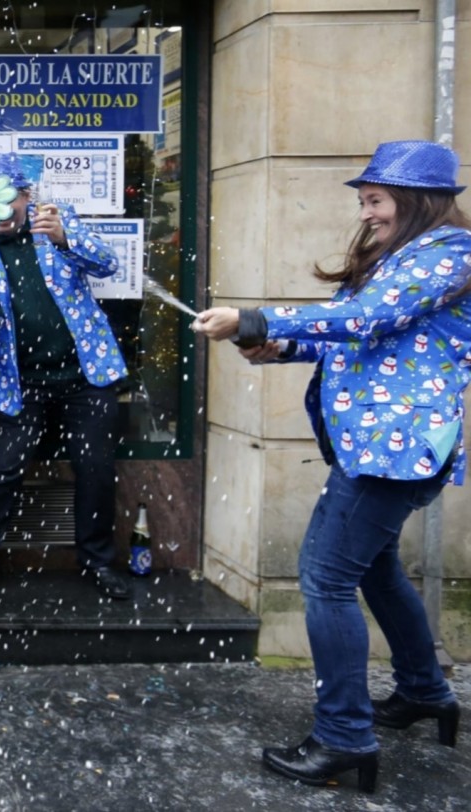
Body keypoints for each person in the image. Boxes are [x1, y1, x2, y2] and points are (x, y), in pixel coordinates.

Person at [194, 140, 468, 793]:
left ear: (417, 200)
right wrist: (278, 345)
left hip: (392, 449)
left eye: (376, 200)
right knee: (374, 569)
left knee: (325, 578)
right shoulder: (407, 254)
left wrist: (257, 317)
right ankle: (424, 690)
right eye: (366, 201)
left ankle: (343, 737)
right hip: (379, 447)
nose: (366, 212)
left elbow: (367, 317)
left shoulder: (451, 252)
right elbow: (364, 338)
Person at [0, 152, 133, 606]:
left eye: (9, 199)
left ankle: (98, 561)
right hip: (22, 380)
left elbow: (108, 264)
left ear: (26, 196)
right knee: (2, 469)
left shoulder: (56, 219)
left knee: (95, 468)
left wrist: (66, 238)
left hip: (85, 374)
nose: (2, 212)